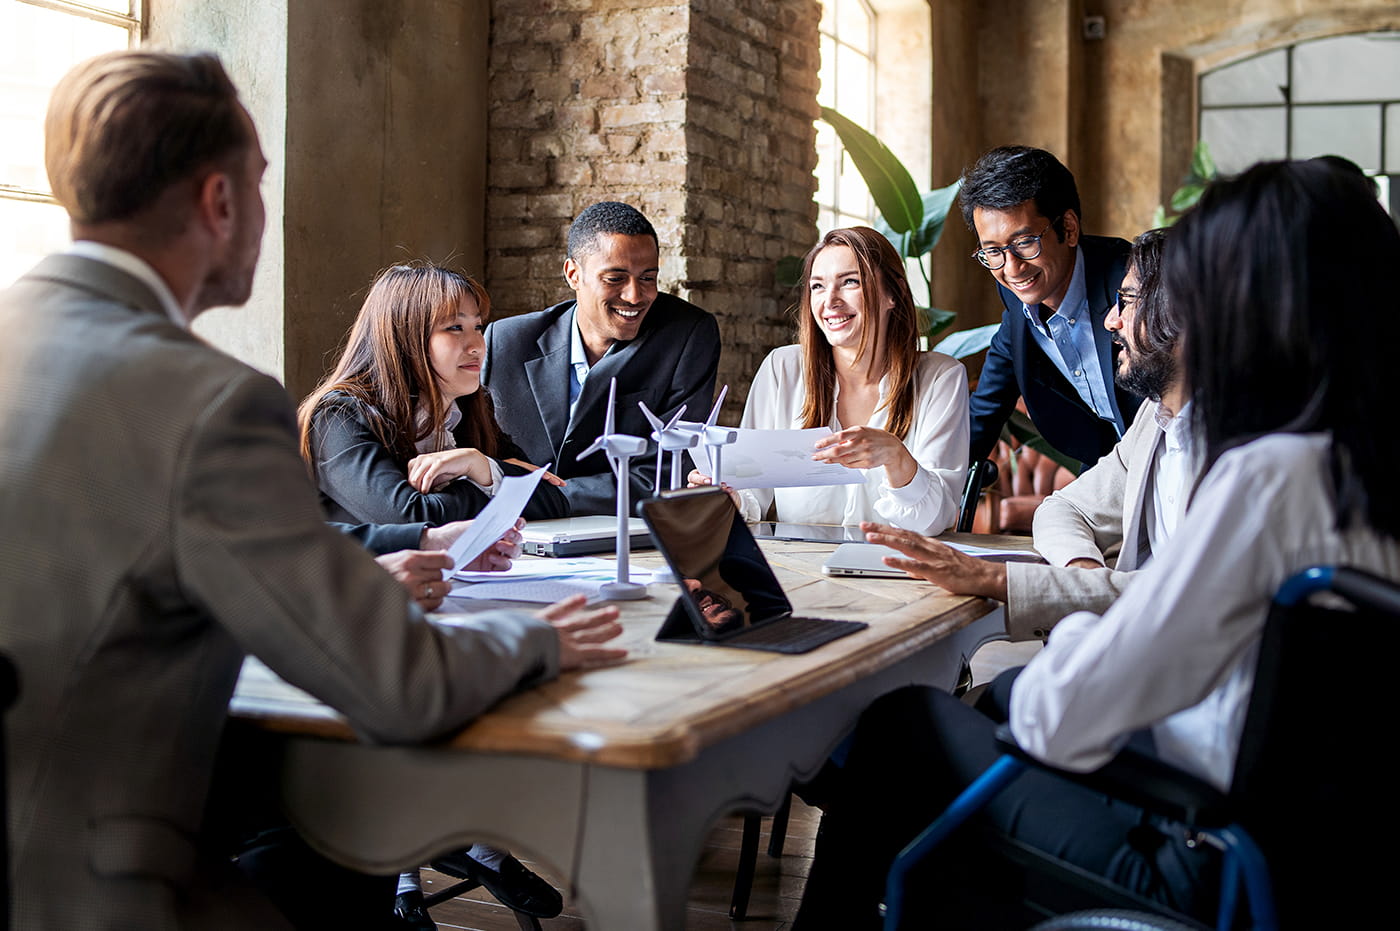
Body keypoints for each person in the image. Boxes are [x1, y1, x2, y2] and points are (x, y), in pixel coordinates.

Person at [0, 50, 625, 931]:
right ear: (220, 202)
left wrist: (390, 551)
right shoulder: (211, 403)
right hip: (87, 886)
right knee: (350, 831)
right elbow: (401, 682)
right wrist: (535, 643)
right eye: (260, 184)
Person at [791, 160, 1400, 928]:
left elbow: (1065, 714)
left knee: (903, 729)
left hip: (1200, 850)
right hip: (1314, 860)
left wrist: (1075, 630)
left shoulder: (1271, 476)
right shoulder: (1358, 465)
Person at [864, 229, 1190, 642]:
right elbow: (1059, 508)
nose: (1111, 319)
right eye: (992, 251)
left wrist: (993, 579)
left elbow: (1183, 597)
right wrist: (1081, 573)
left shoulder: (1245, 455)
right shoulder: (1155, 420)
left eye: (1126, 301)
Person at [693, 227, 968, 534]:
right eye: (818, 286)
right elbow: (750, 495)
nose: (830, 301)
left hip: (898, 576)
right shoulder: (782, 369)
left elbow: (936, 519)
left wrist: (896, 457)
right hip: (798, 574)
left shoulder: (940, 378)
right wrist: (728, 497)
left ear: (894, 293)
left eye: (849, 282)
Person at [475, 201, 721, 515]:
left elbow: (666, 472)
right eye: (615, 279)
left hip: (624, 535)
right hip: (512, 534)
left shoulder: (686, 334)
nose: (635, 296)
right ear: (573, 274)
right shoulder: (505, 341)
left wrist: (535, 495)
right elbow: (478, 451)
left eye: (647, 278)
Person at [299, 262, 568, 527]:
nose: (477, 345)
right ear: (406, 337)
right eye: (455, 328)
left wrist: (482, 465)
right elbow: (410, 519)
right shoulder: (338, 417)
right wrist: (484, 483)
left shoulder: (468, 407)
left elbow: (554, 500)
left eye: (477, 327)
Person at [961, 146, 1138, 470]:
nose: (1012, 268)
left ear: (1068, 229)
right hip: (1109, 469)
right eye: (993, 251)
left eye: (1025, 241)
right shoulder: (1018, 305)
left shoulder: (1131, 283)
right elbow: (981, 417)